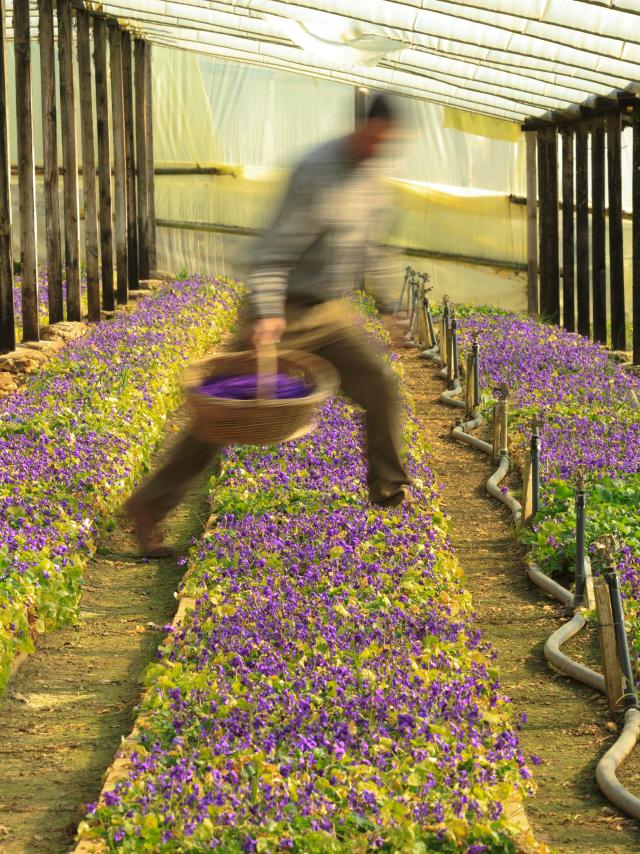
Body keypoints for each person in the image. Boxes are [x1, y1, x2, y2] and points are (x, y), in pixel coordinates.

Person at [126, 93, 412, 557]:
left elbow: (373, 248)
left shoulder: (371, 179)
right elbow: (275, 251)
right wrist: (267, 309)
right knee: (226, 416)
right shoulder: (317, 172)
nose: (381, 149)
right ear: (362, 128)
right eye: (376, 138)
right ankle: (149, 506)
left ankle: (390, 493)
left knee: (379, 386)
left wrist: (390, 306)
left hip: (328, 311)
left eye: (389, 142)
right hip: (284, 309)